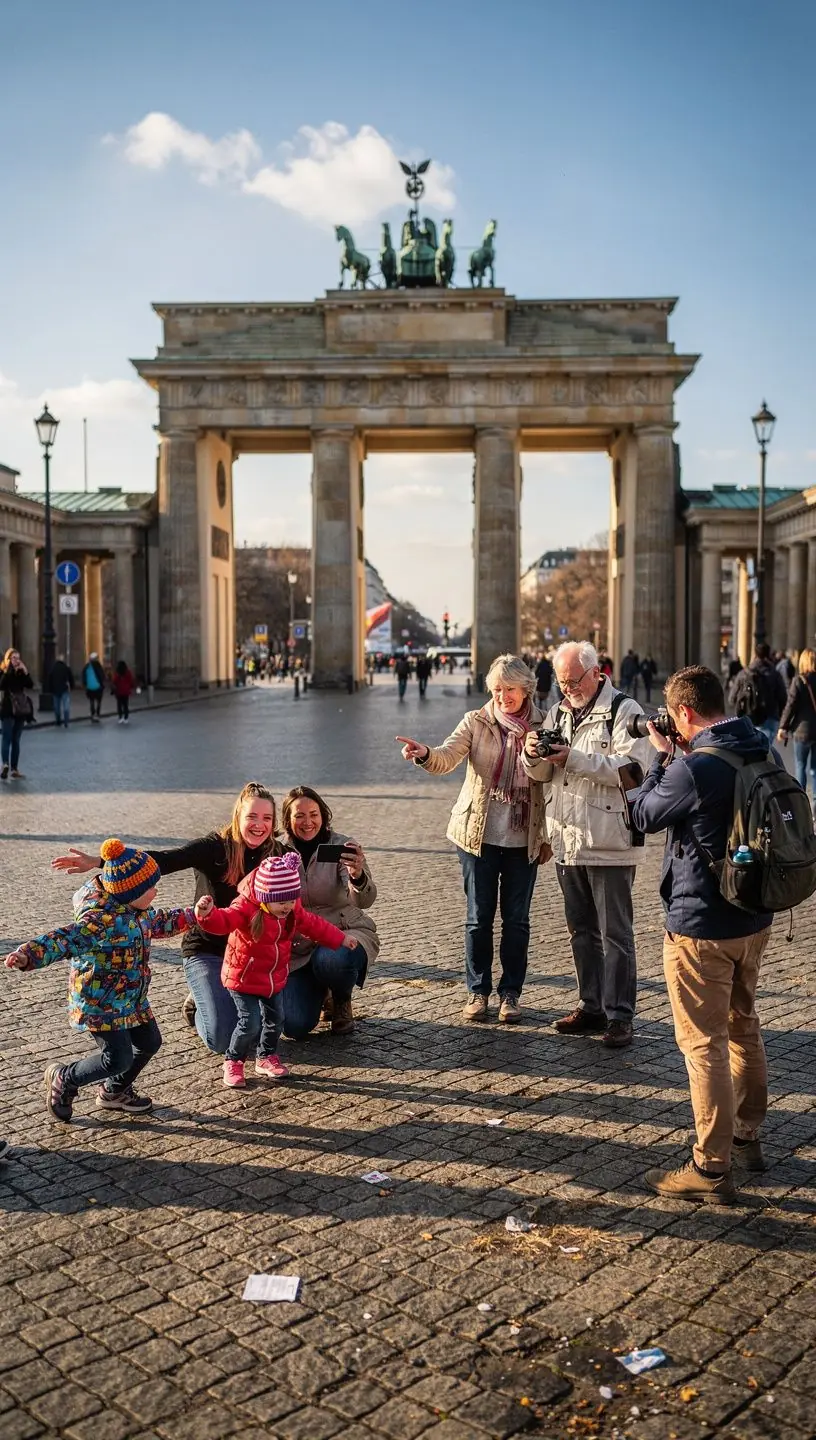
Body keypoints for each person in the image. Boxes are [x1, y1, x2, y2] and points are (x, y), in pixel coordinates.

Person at [631, 666, 776, 1203]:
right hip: (755, 916)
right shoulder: (761, 748)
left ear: (684, 713)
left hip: (701, 924)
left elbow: (643, 815)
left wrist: (661, 758)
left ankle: (710, 1169)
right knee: (744, 1025)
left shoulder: (695, 767)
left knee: (703, 1044)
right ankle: (748, 1137)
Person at [51, 781, 284, 1056]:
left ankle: (222, 999)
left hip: (251, 955)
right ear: (238, 817)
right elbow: (164, 860)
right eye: (252, 816)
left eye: (267, 818)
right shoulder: (214, 847)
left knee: (279, 1023)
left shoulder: (279, 855)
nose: (259, 825)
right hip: (208, 949)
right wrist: (103, 862)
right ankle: (198, 1003)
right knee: (223, 1040)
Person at [398, 653, 549, 1024]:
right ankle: (478, 991)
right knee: (478, 918)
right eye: (496, 690)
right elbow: (448, 757)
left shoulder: (546, 724)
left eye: (509, 690)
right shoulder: (476, 721)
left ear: (526, 688)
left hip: (524, 837)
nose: (502, 697)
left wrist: (549, 835)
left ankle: (510, 993)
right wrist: (425, 755)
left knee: (517, 921)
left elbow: (551, 777)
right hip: (477, 835)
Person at [4, 838, 196, 1122]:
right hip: (100, 1001)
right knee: (117, 1058)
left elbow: (159, 922)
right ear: (129, 891)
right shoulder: (99, 920)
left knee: (149, 1042)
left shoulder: (137, 911)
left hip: (132, 997)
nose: (156, 891)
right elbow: (63, 939)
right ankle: (64, 1077)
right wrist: (28, 954)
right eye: (150, 887)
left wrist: (192, 915)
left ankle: (114, 1091)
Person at [522, 641, 652, 1049]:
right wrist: (532, 755)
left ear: (597, 672)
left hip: (609, 838)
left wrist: (572, 758)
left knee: (616, 933)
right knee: (580, 930)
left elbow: (634, 772)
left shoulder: (624, 711)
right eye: (561, 682)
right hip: (568, 838)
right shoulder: (559, 712)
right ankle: (591, 1004)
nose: (567, 689)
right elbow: (545, 774)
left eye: (573, 680)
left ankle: (620, 1017)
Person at [195, 852, 353, 1088]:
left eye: (291, 901)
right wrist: (207, 915)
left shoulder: (290, 909)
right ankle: (233, 1060)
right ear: (264, 898)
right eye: (282, 902)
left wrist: (339, 938)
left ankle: (266, 1056)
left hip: (273, 977)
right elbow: (224, 921)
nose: (287, 907)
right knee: (250, 1022)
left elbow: (313, 924)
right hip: (243, 977)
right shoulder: (246, 908)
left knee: (276, 1020)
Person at [280, 786, 379, 1037]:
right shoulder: (277, 851)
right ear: (288, 820)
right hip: (299, 945)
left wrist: (357, 875)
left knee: (333, 959)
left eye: (313, 814)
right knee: (294, 1025)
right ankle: (320, 991)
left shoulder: (341, 845)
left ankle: (341, 997)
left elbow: (364, 901)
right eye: (299, 815)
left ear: (323, 815)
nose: (307, 822)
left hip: (344, 931)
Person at [778, 647, 816, 822]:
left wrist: (782, 727)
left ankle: (801, 808)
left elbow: (790, 706)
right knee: (815, 770)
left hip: (801, 731)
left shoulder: (799, 681)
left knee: (800, 766)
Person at [731, 643, 787, 747]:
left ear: (755, 655)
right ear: (769, 655)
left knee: (751, 749)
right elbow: (783, 697)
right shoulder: (774, 674)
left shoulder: (744, 673)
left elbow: (732, 698)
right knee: (767, 750)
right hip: (770, 716)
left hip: (748, 717)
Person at [0, 648, 34, 779]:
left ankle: (14, 768)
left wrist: (25, 671)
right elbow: (1, 685)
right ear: (8, 659)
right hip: (7, 709)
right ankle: (5, 765)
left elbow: (30, 685)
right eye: (13, 658)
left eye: (18, 658)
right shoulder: (3, 671)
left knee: (16, 740)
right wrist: (8, 670)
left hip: (20, 710)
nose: (16, 660)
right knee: (6, 738)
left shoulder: (20, 673)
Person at [48, 654, 74, 728]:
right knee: (66, 706)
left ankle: (58, 721)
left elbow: (50, 679)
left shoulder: (53, 668)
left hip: (55, 689)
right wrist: (71, 687)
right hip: (64, 689)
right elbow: (71, 678)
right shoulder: (66, 667)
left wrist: (50, 689)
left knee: (57, 706)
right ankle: (66, 721)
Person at [83, 652, 105, 722]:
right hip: (98, 687)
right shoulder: (98, 666)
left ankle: (92, 715)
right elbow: (102, 676)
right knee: (99, 702)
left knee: (91, 701)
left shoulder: (86, 666)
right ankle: (97, 715)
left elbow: (83, 676)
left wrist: (85, 685)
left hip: (89, 687)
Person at [112, 660, 135, 724]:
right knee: (126, 705)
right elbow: (131, 681)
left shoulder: (117, 673)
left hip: (119, 691)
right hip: (126, 691)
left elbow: (114, 681)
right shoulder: (128, 672)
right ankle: (126, 718)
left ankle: (120, 717)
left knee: (119, 705)